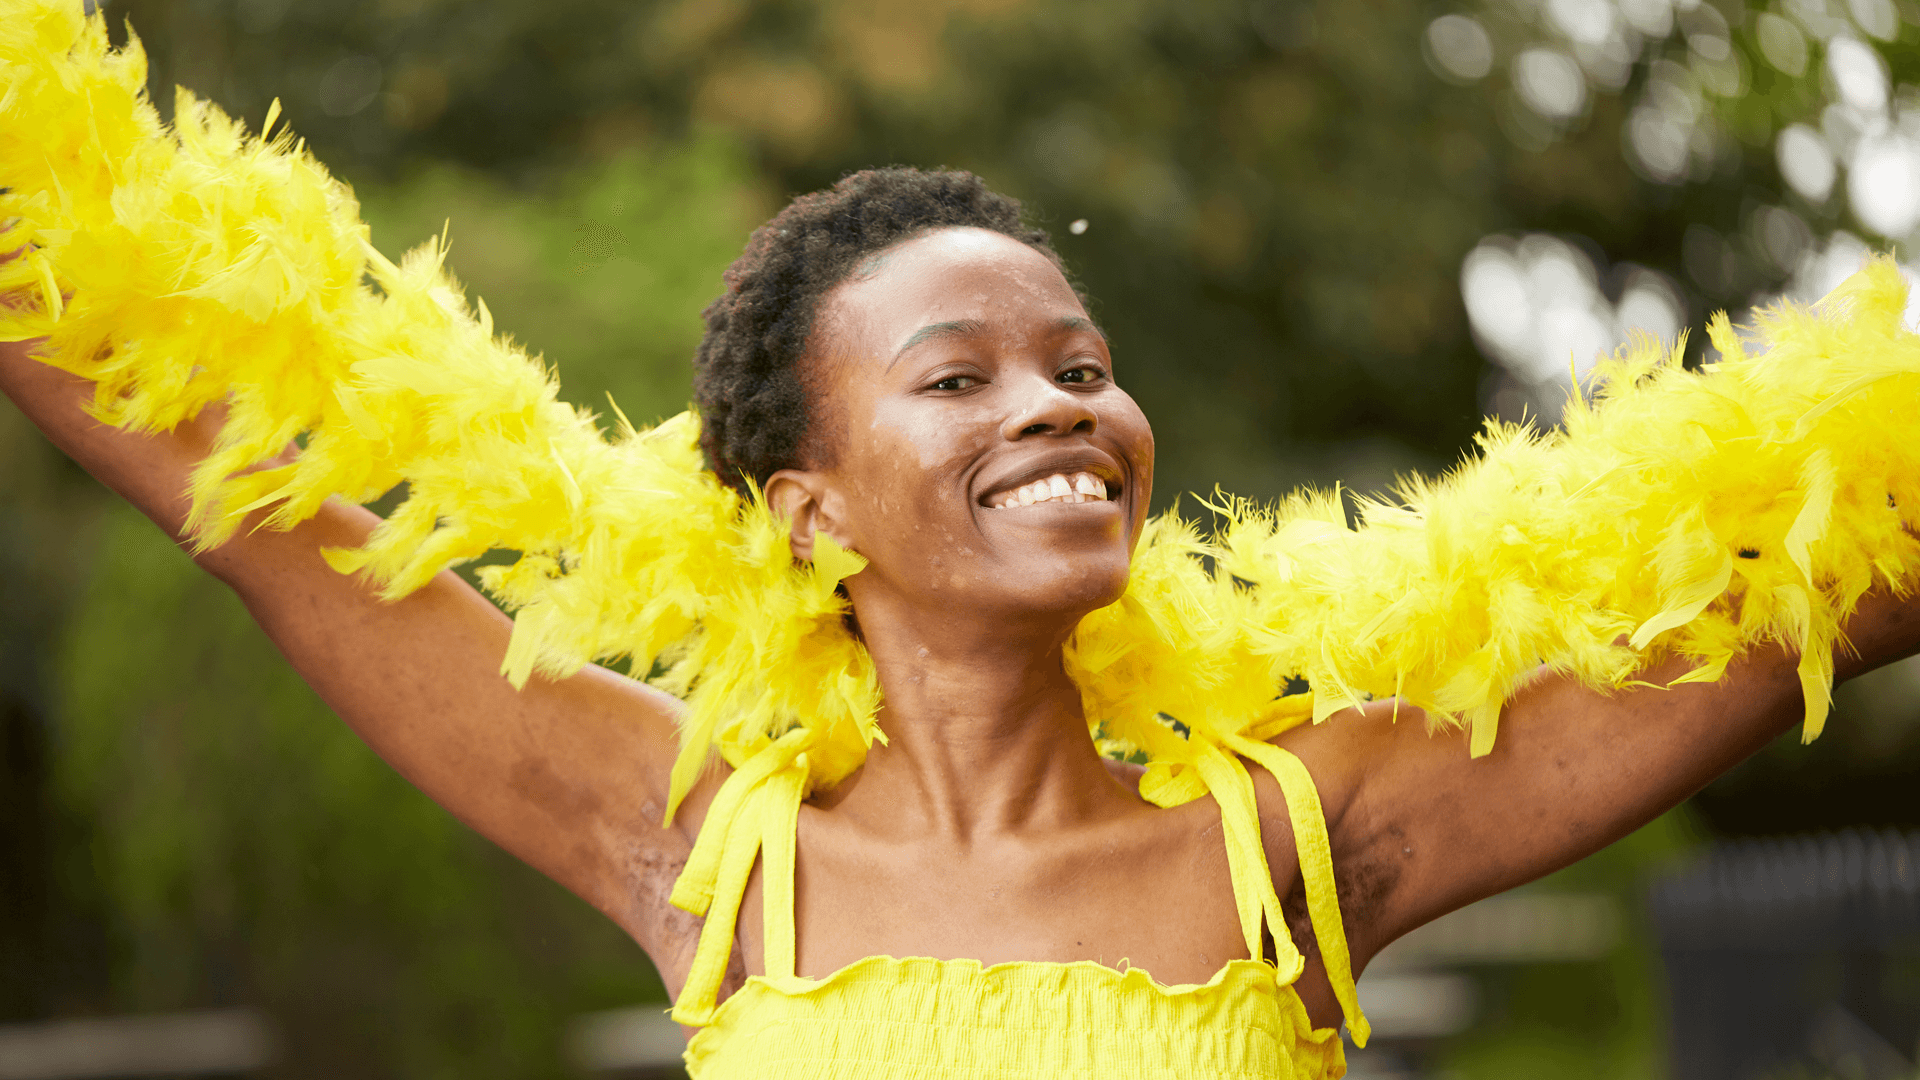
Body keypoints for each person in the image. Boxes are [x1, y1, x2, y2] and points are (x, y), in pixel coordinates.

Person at [2, 16, 1917, 1076]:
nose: (1061, 405)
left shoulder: (1296, 844)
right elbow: (236, 502)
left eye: (1082, 364)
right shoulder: (700, 847)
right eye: (961, 377)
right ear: (807, 510)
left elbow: (1827, 586)